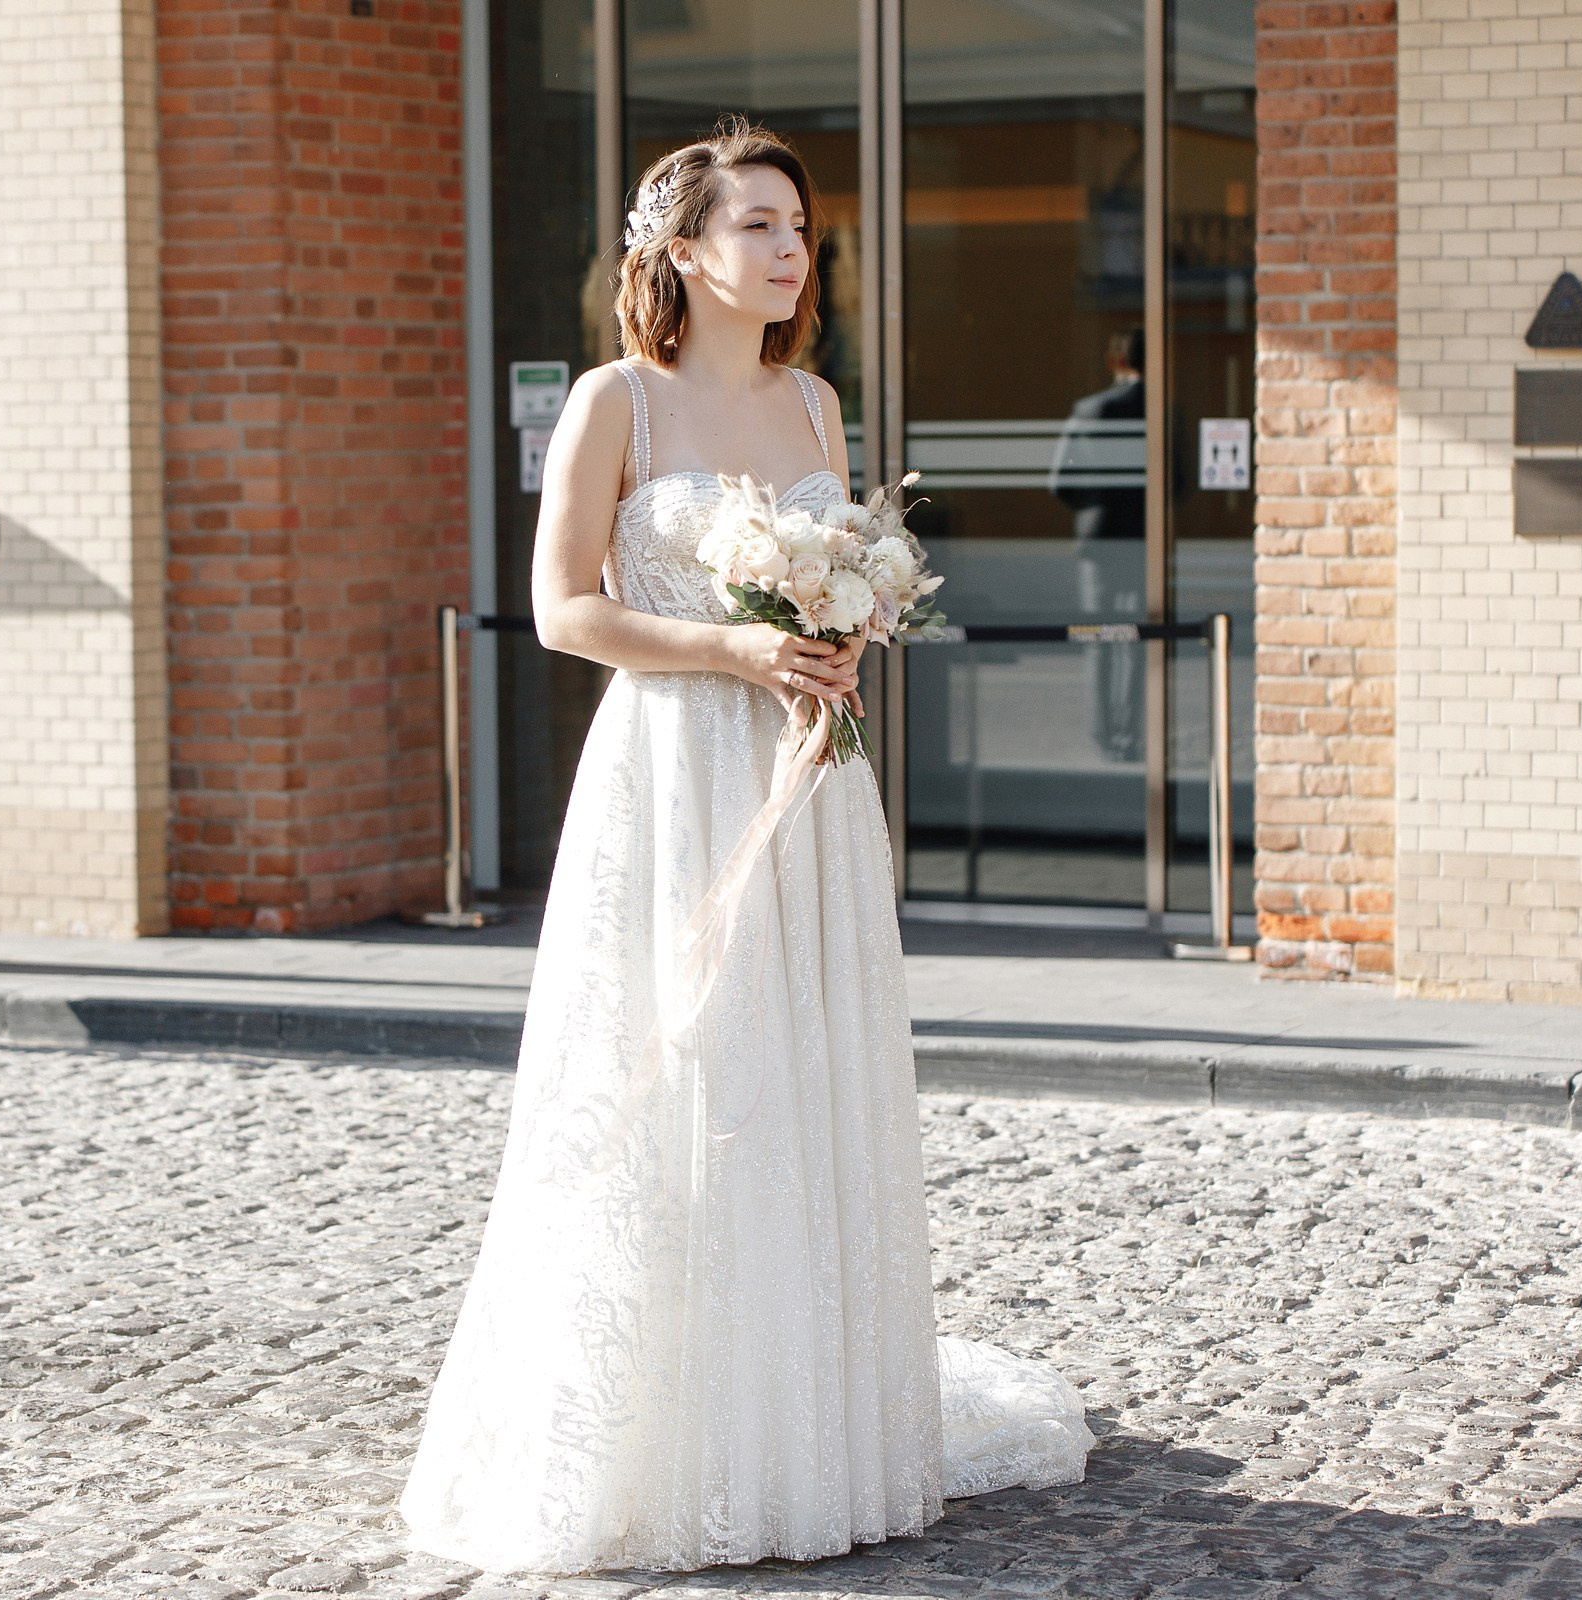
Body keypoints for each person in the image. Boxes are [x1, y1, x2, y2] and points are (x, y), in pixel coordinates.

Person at [401, 120, 1092, 1576]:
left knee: (800, 1069)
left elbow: (836, 588)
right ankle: (654, 1430)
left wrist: (838, 632)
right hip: (667, 766)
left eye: (800, 230)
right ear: (685, 250)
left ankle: (803, 1420)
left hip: (806, 781)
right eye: (764, 226)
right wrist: (727, 642)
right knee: (672, 1064)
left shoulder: (818, 409)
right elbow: (560, 611)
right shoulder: (616, 403)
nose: (792, 252)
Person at [1050, 328, 1146, 763]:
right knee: (1140, 640)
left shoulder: (1091, 410)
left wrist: (1095, 507)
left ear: (1114, 361)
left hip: (1098, 543)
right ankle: (1132, 733)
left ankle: (1102, 734)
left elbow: (1060, 482)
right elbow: (1180, 479)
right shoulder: (1162, 409)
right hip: (1145, 539)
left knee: (1100, 641)